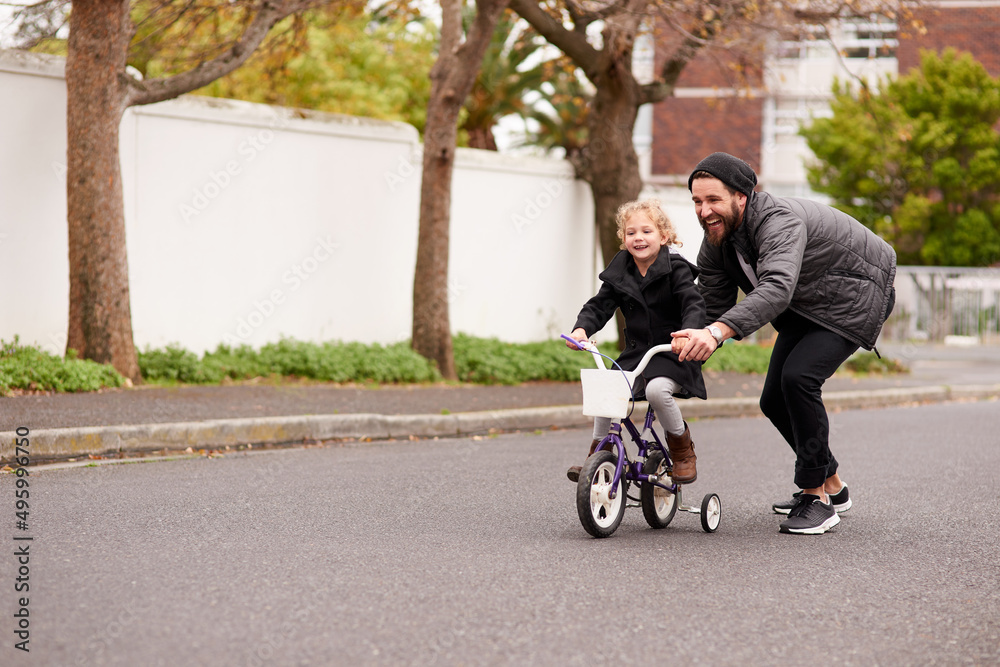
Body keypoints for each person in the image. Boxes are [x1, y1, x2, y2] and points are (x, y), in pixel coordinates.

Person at [673, 152, 896, 535]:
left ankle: (816, 499)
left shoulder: (778, 221)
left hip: (852, 297)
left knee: (798, 379)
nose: (704, 210)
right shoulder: (717, 239)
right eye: (697, 201)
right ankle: (833, 487)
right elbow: (712, 303)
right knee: (772, 398)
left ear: (742, 196)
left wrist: (716, 333)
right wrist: (680, 340)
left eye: (713, 200)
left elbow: (776, 287)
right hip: (805, 306)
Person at [565, 198, 707, 484]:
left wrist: (689, 333)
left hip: (672, 353)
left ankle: (681, 450)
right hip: (637, 353)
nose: (638, 238)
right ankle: (599, 455)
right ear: (624, 239)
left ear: (663, 236)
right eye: (631, 233)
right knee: (606, 388)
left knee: (657, 391)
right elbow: (600, 305)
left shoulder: (675, 269)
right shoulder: (622, 270)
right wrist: (582, 329)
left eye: (647, 231)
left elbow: (693, 304)